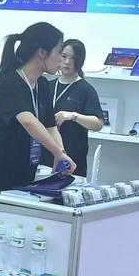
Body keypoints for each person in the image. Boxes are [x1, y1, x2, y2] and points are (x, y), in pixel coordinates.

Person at [0, 22, 74, 257]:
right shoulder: (9, 83)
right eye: (59, 52)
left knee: (16, 249)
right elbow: (28, 121)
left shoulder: (42, 85)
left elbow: (49, 125)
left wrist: (61, 154)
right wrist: (57, 152)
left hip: (23, 177)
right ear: (42, 53)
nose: (61, 60)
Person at [40, 39, 105, 178]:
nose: (67, 62)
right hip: (43, 157)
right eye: (64, 56)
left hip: (73, 159)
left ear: (80, 61)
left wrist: (74, 116)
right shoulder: (46, 86)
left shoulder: (85, 89)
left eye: (73, 58)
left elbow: (98, 123)